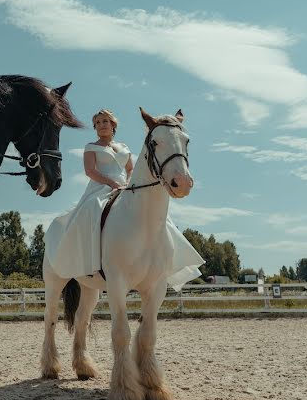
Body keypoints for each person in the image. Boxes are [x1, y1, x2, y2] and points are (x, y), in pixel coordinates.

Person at [43, 108, 203, 286]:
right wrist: (112, 184)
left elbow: (130, 169)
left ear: (113, 125)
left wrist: (127, 183)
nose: (101, 125)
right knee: (91, 209)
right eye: (97, 123)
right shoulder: (91, 147)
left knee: (158, 217)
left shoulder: (123, 148)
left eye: (105, 121)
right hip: (99, 188)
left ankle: (170, 260)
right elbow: (90, 171)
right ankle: (87, 262)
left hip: (126, 187)